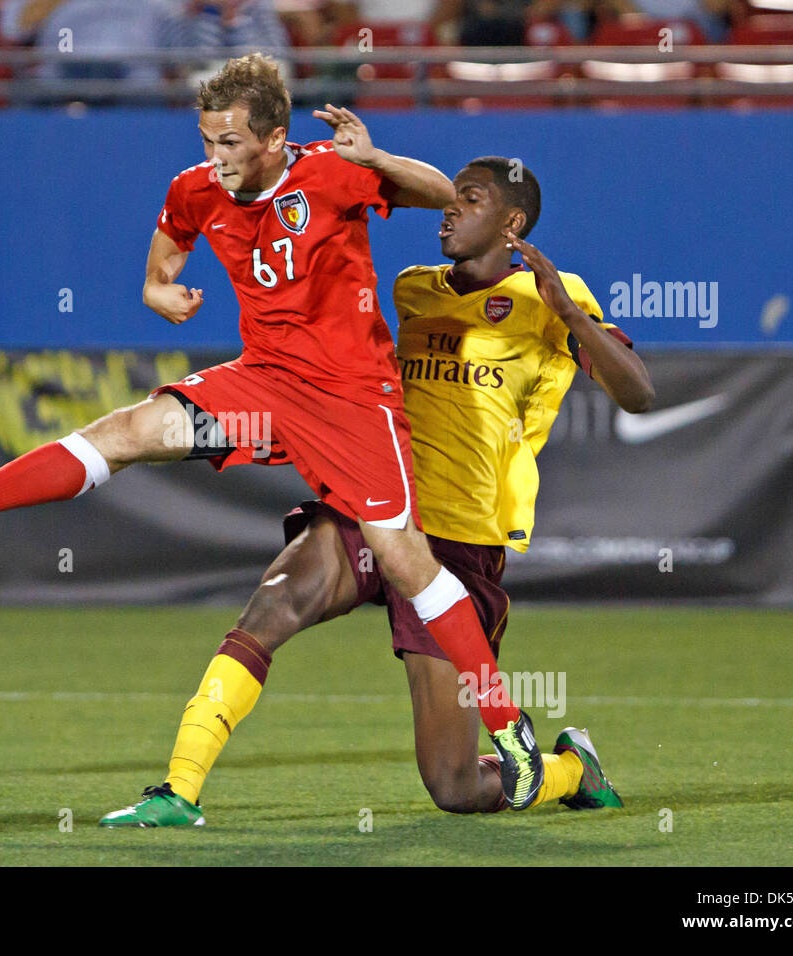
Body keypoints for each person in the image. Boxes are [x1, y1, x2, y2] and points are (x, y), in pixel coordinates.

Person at [0, 53, 547, 807]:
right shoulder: (193, 190)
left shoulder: (330, 173)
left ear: (274, 138)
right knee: (133, 429)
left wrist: (378, 158)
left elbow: (441, 196)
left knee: (403, 558)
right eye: (207, 140)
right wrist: (159, 291)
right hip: (263, 382)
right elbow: (161, 264)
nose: (214, 158)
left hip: (356, 399)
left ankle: (507, 724)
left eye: (229, 143)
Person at [99, 157, 655, 825]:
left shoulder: (550, 295)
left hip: (455, 541)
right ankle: (178, 790)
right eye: (449, 193)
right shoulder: (412, 288)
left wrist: (571, 314)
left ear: (511, 222)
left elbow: (639, 393)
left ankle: (571, 770)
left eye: (469, 198)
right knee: (269, 612)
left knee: (453, 786)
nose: (449, 206)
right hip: (374, 503)